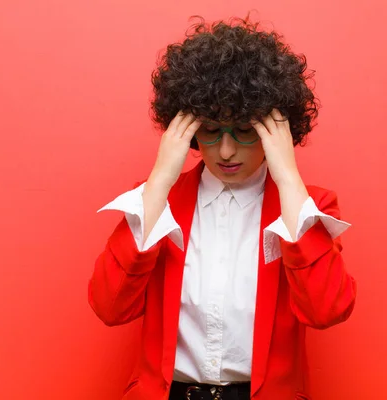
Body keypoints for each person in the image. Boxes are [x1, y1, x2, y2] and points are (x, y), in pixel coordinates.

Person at [89, 16, 357, 400]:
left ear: (276, 129)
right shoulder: (156, 203)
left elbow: (326, 310)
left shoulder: (305, 207)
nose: (226, 151)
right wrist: (160, 180)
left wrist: (288, 178)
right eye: (212, 130)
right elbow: (109, 307)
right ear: (188, 128)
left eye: (245, 131)